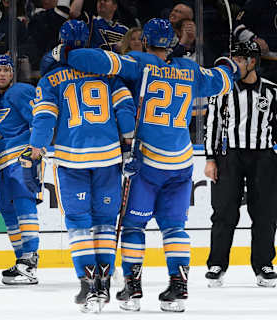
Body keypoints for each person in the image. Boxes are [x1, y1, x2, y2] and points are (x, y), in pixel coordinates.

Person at [57, 18, 240, 312]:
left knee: (132, 225)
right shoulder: (189, 69)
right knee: (174, 227)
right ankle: (178, 289)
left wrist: (65, 52)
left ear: (145, 42)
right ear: (171, 43)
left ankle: (132, 289)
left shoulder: (138, 62)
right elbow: (223, 79)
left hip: (148, 161)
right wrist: (229, 65)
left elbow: (87, 59)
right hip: (181, 161)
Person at [25, 19, 135, 313]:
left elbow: (45, 118)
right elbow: (125, 109)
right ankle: (105, 283)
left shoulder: (49, 80)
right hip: (109, 157)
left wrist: (36, 149)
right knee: (105, 223)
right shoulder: (108, 74)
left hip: (72, 159)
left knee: (78, 223)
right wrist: (128, 140)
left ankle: (87, 285)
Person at [204, 40, 277, 288]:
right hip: (229, 156)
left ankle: (264, 264)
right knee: (224, 212)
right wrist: (210, 158)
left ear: (252, 62)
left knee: (265, 213)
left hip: (264, 157)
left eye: (238, 60)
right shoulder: (222, 89)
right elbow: (212, 124)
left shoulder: (272, 91)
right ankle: (217, 264)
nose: (233, 64)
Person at [0, 54, 40, 285]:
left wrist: (36, 151)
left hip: (23, 155)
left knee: (24, 202)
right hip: (3, 160)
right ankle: (21, 260)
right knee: (7, 209)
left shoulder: (19, 92)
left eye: (7, 70)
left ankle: (30, 260)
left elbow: (39, 120)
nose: (4, 74)